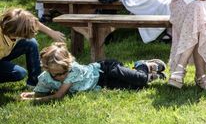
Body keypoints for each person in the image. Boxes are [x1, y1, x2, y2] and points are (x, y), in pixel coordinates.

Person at [19, 42, 165, 102]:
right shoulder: (45, 78)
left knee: (139, 79)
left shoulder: (72, 70)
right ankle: (152, 76)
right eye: (56, 75)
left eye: (63, 72)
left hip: (104, 70)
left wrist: (34, 100)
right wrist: (32, 94)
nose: (61, 77)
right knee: (136, 87)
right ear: (47, 69)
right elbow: (42, 91)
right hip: (101, 83)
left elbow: (58, 95)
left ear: (68, 65)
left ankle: (143, 66)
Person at [1, 8, 65, 89]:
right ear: (16, 32)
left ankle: (34, 83)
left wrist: (51, 32)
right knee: (19, 73)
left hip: (4, 52)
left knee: (31, 42)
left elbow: (33, 22)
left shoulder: (13, 19)